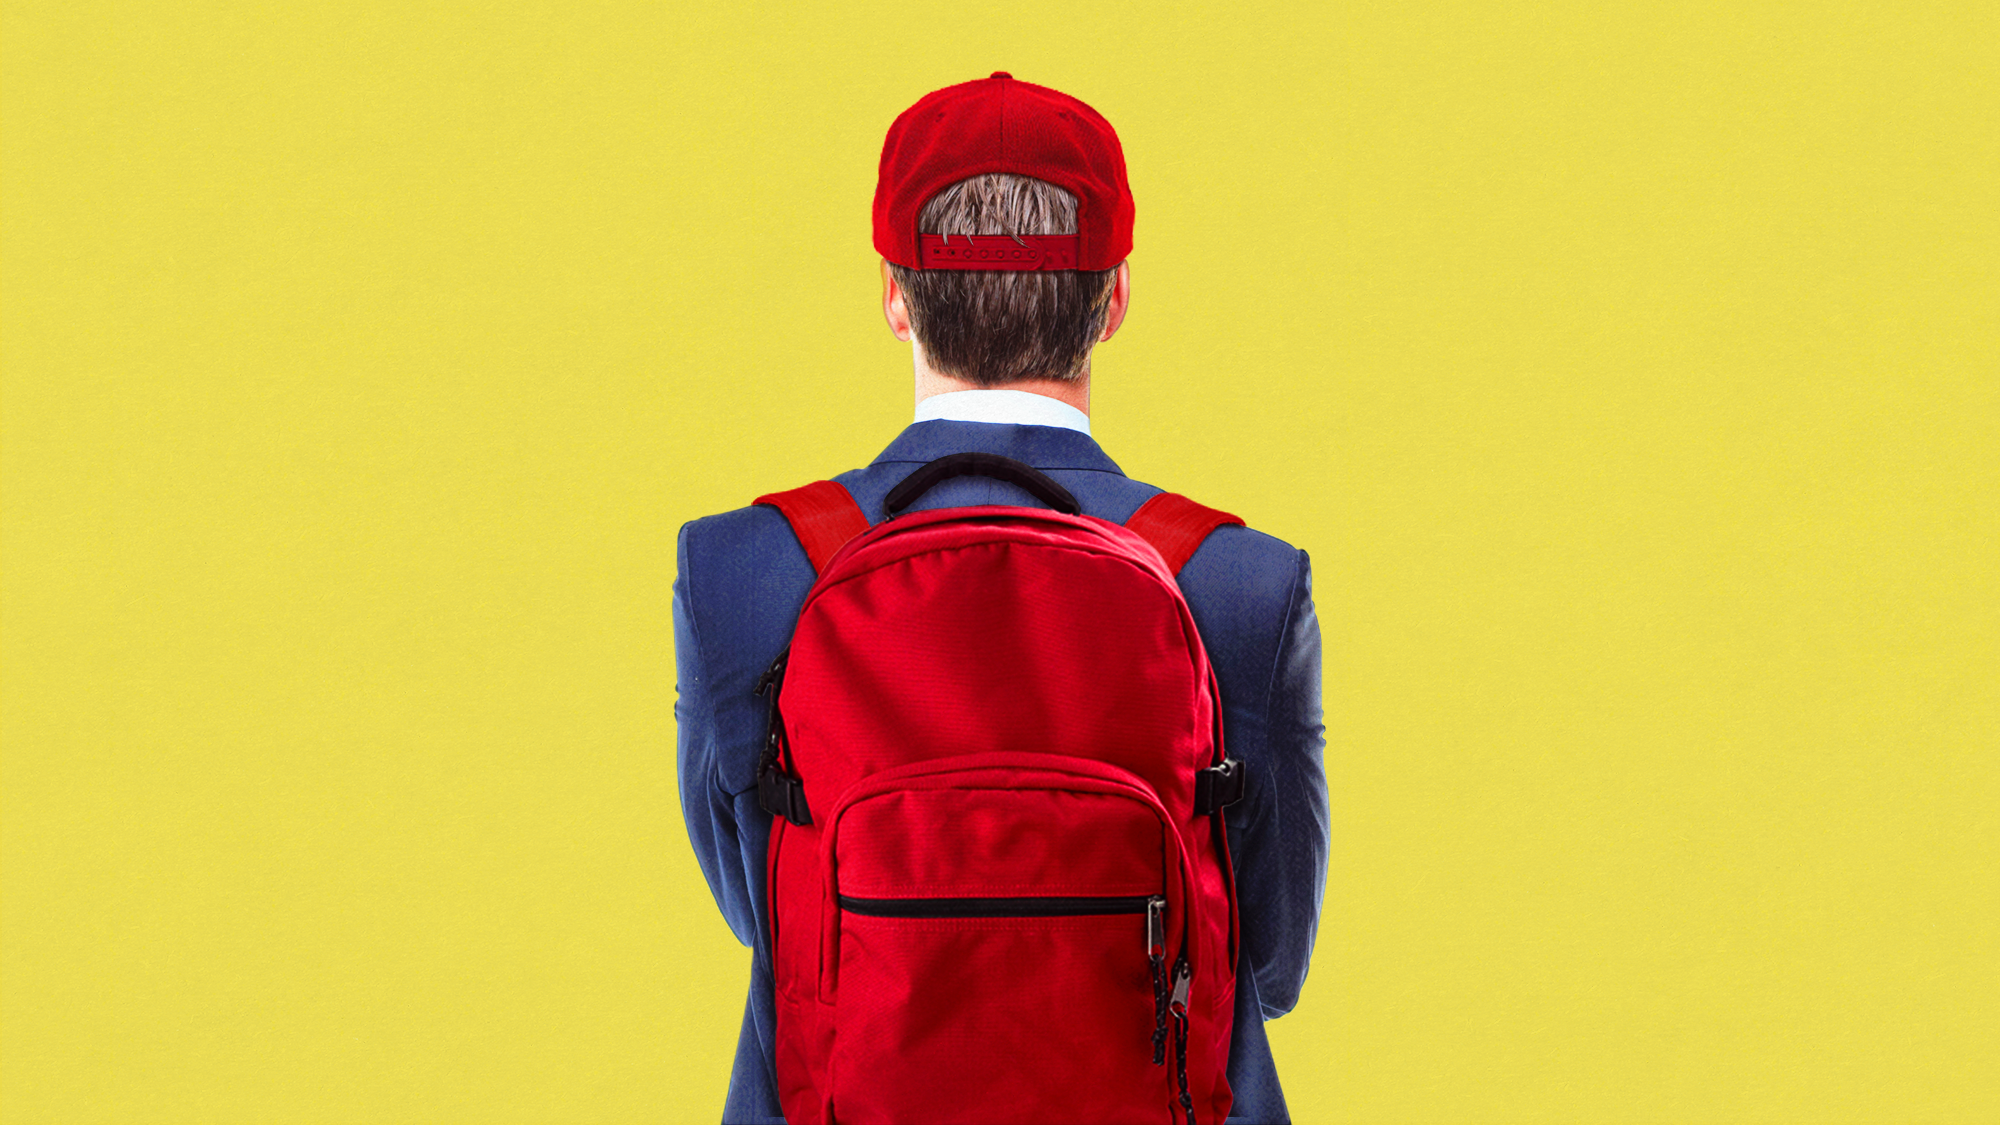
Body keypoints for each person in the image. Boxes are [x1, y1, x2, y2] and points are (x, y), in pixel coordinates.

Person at [674, 72, 1328, 1125]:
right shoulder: (1239, 580)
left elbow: (768, 920)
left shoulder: (744, 569)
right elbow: (1272, 958)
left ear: (894, 295)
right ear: (1113, 299)